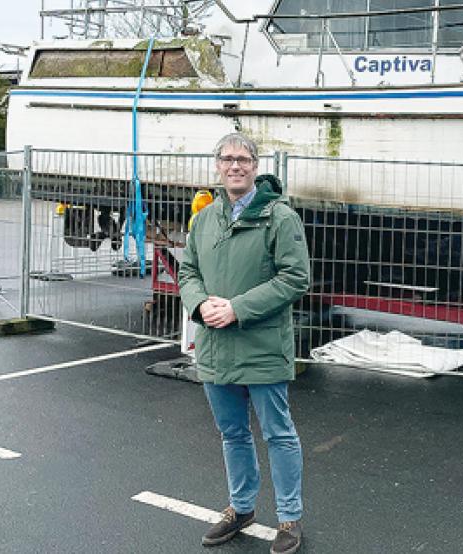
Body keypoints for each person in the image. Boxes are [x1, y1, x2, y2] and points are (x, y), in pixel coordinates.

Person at [178, 133, 310, 554]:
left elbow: (295, 278)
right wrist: (200, 305)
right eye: (227, 159)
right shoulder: (205, 219)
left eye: (243, 159)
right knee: (232, 433)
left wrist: (237, 308)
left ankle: (289, 518)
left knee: (278, 434)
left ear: (255, 166)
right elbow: (188, 272)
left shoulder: (280, 218)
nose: (235, 166)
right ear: (217, 165)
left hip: (262, 345)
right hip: (216, 345)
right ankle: (241, 507)